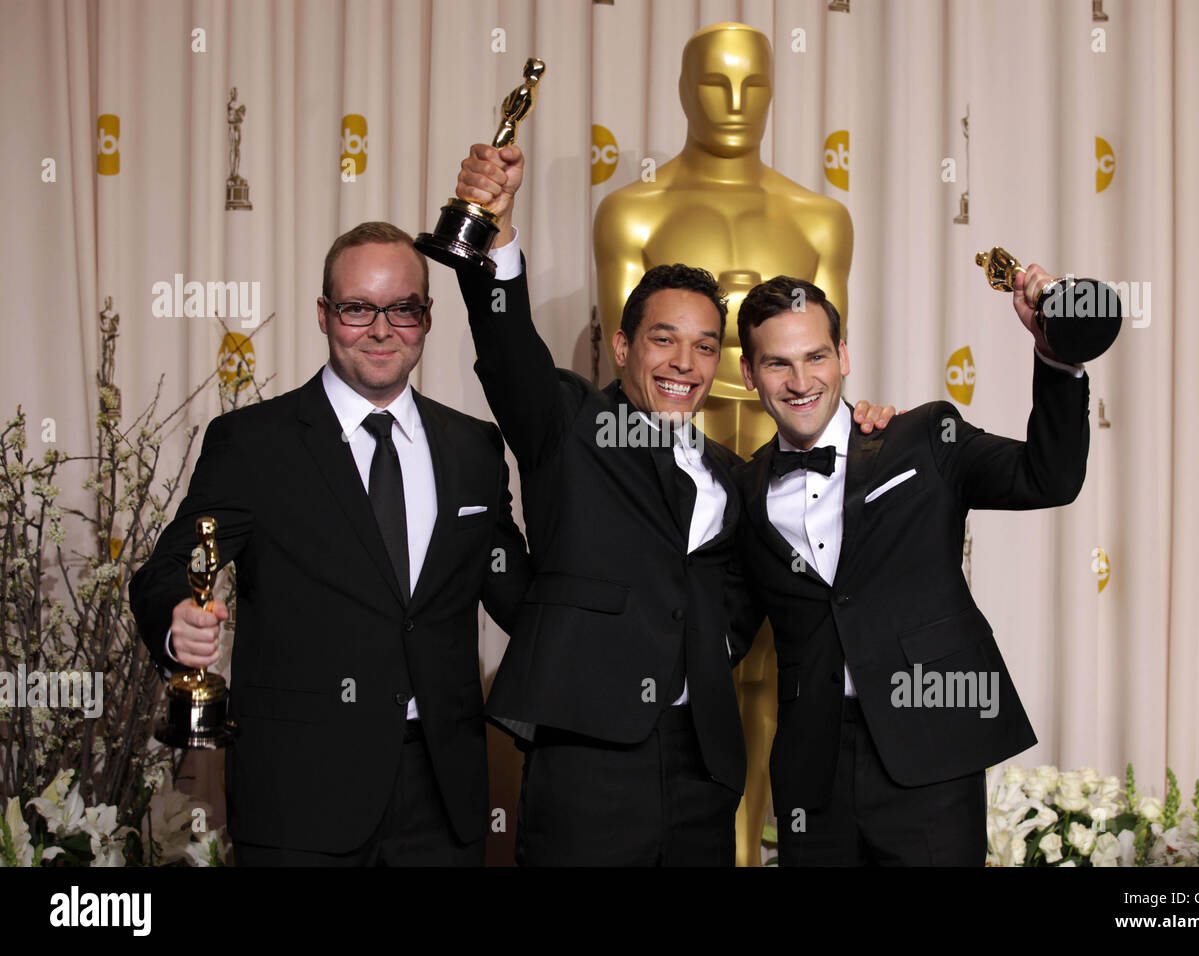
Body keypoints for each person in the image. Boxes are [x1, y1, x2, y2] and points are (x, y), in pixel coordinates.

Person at [451, 143, 889, 866]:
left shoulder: (734, 473)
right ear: (622, 346)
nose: (685, 364)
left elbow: (748, 586)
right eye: (664, 340)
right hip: (589, 756)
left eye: (705, 346)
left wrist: (711, 647)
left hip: (705, 766)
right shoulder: (568, 422)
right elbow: (507, 348)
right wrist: (494, 235)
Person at [129, 221, 531, 865]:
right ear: (324, 315)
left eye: (402, 308)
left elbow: (521, 598)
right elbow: (170, 566)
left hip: (445, 800)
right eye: (356, 308)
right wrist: (178, 620)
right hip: (299, 798)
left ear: (426, 318)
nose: (381, 329)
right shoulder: (254, 443)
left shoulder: (474, 447)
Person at [731, 271, 1090, 865]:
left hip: (931, 745)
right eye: (777, 364)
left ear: (843, 356)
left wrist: (1057, 360)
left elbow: (1047, 477)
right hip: (812, 771)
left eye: (816, 356)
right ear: (748, 375)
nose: (800, 382)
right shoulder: (742, 490)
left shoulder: (923, 437)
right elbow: (725, 622)